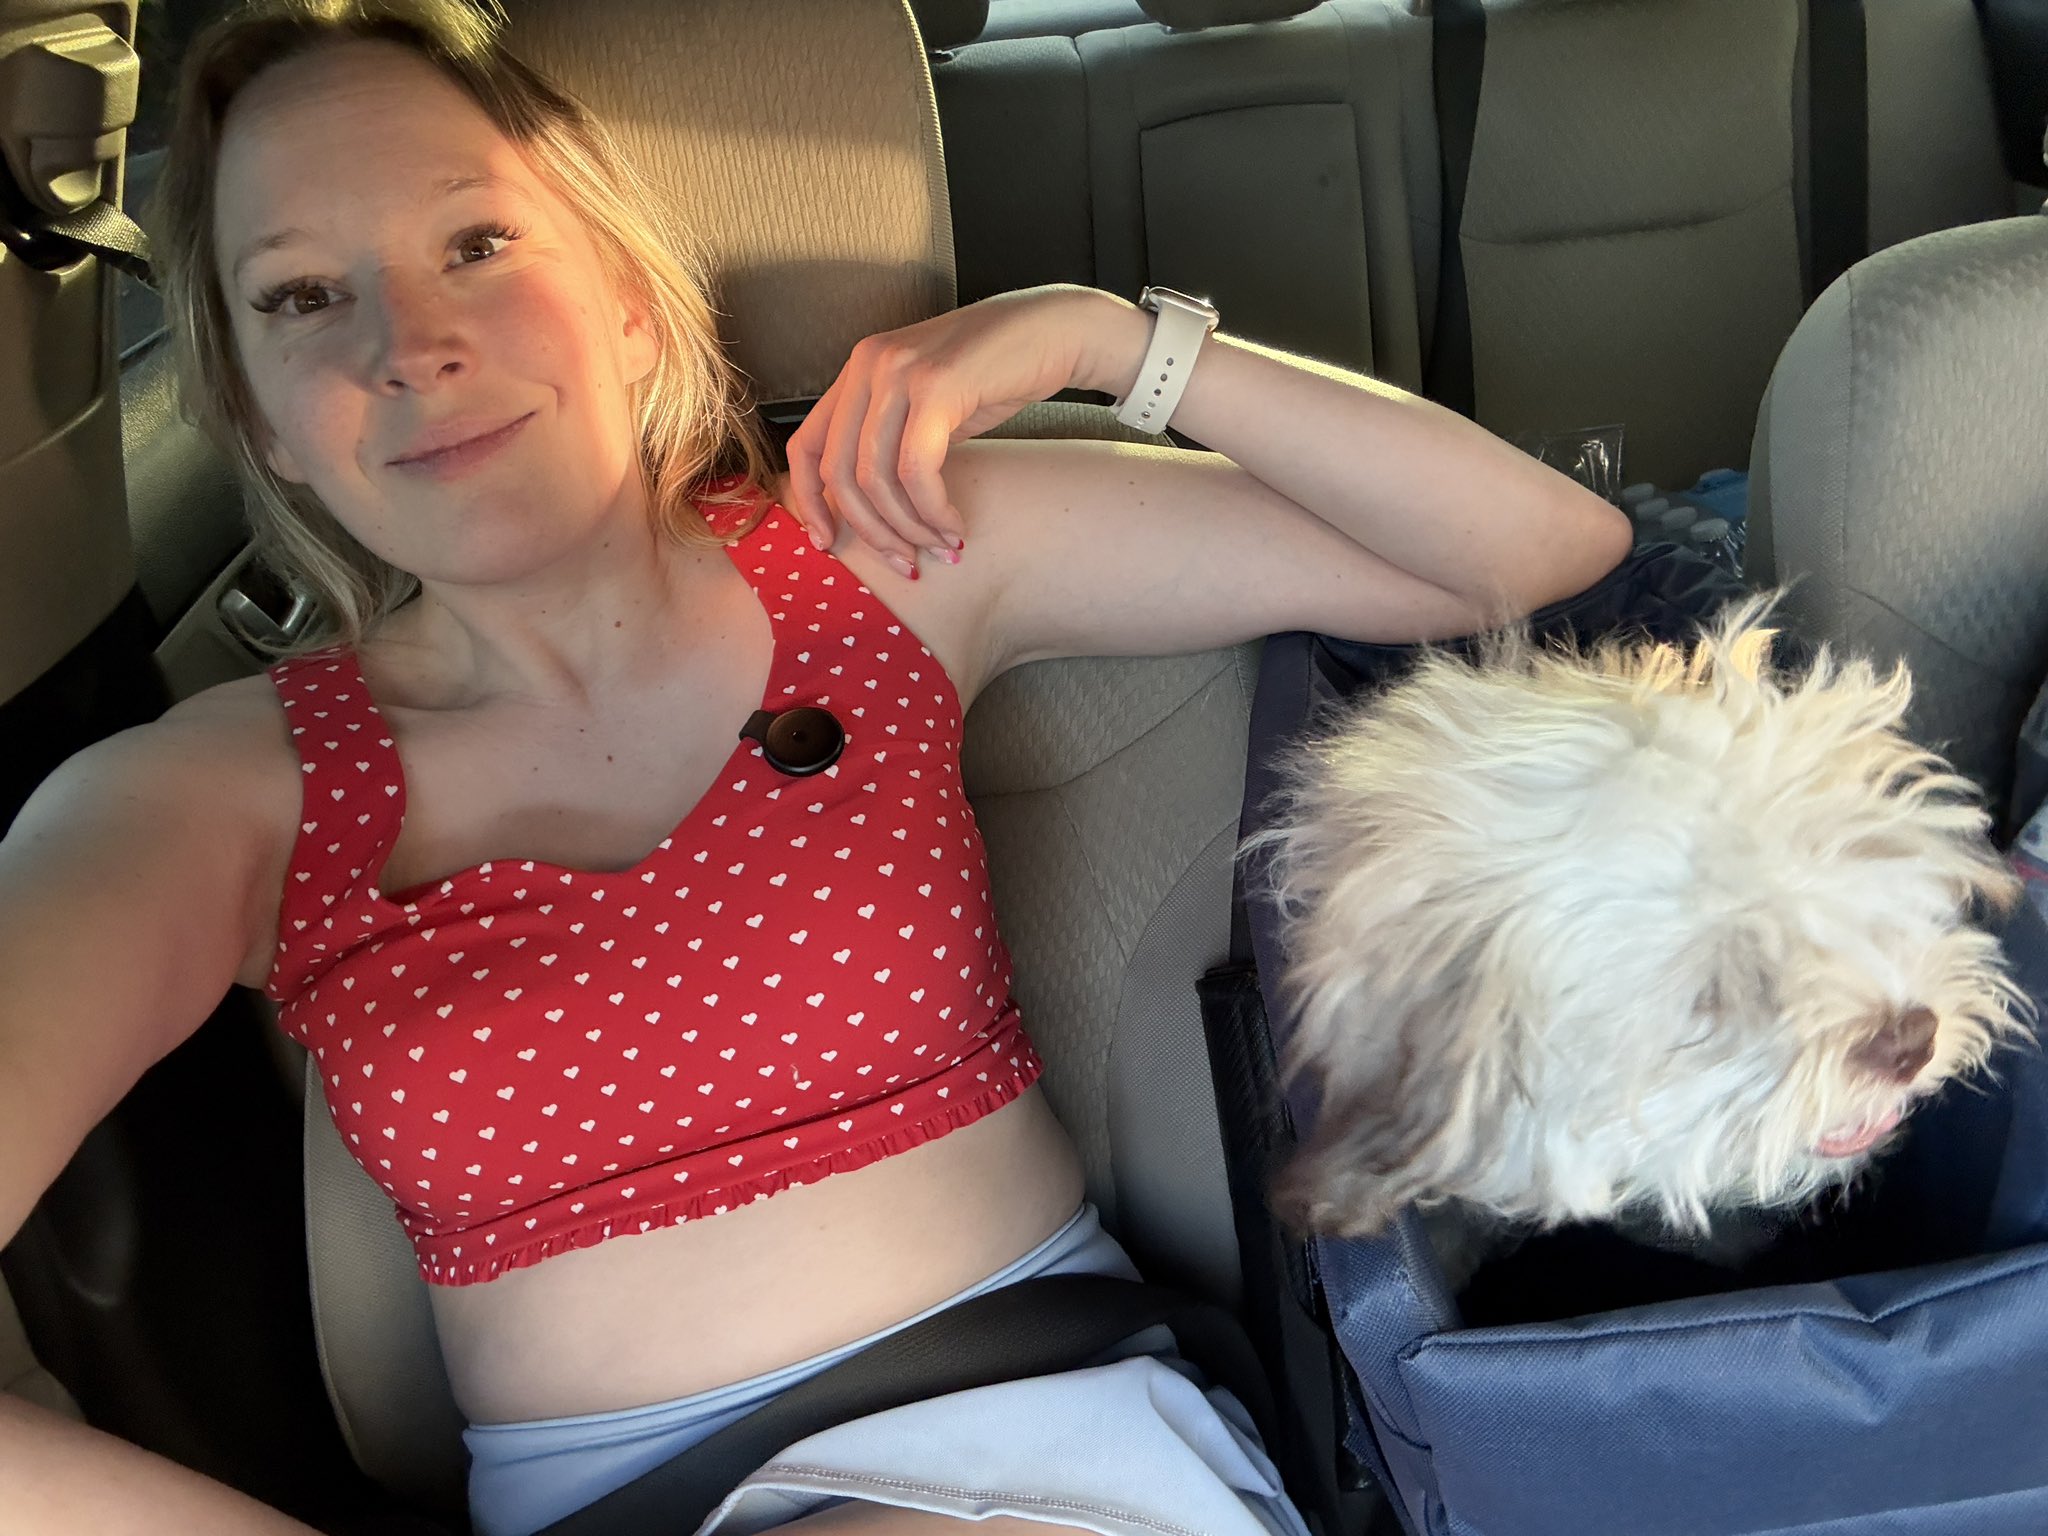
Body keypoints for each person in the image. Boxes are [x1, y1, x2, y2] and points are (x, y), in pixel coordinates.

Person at [0, 1, 1633, 1532]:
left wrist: (1098, 336)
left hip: (1038, 1451)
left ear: (626, 297)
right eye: (300, 296)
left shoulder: (879, 558)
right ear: (260, 421)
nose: (409, 345)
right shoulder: (212, 797)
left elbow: (1531, 547)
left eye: (478, 244)